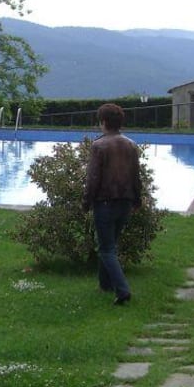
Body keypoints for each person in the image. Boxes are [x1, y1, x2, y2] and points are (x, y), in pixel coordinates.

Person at [82, 103, 143, 305]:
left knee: (107, 249)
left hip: (105, 203)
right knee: (108, 245)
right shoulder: (131, 145)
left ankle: (122, 290)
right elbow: (136, 176)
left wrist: (86, 201)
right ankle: (105, 285)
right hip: (125, 202)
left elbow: (93, 178)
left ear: (104, 122)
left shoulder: (99, 146)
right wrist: (137, 199)